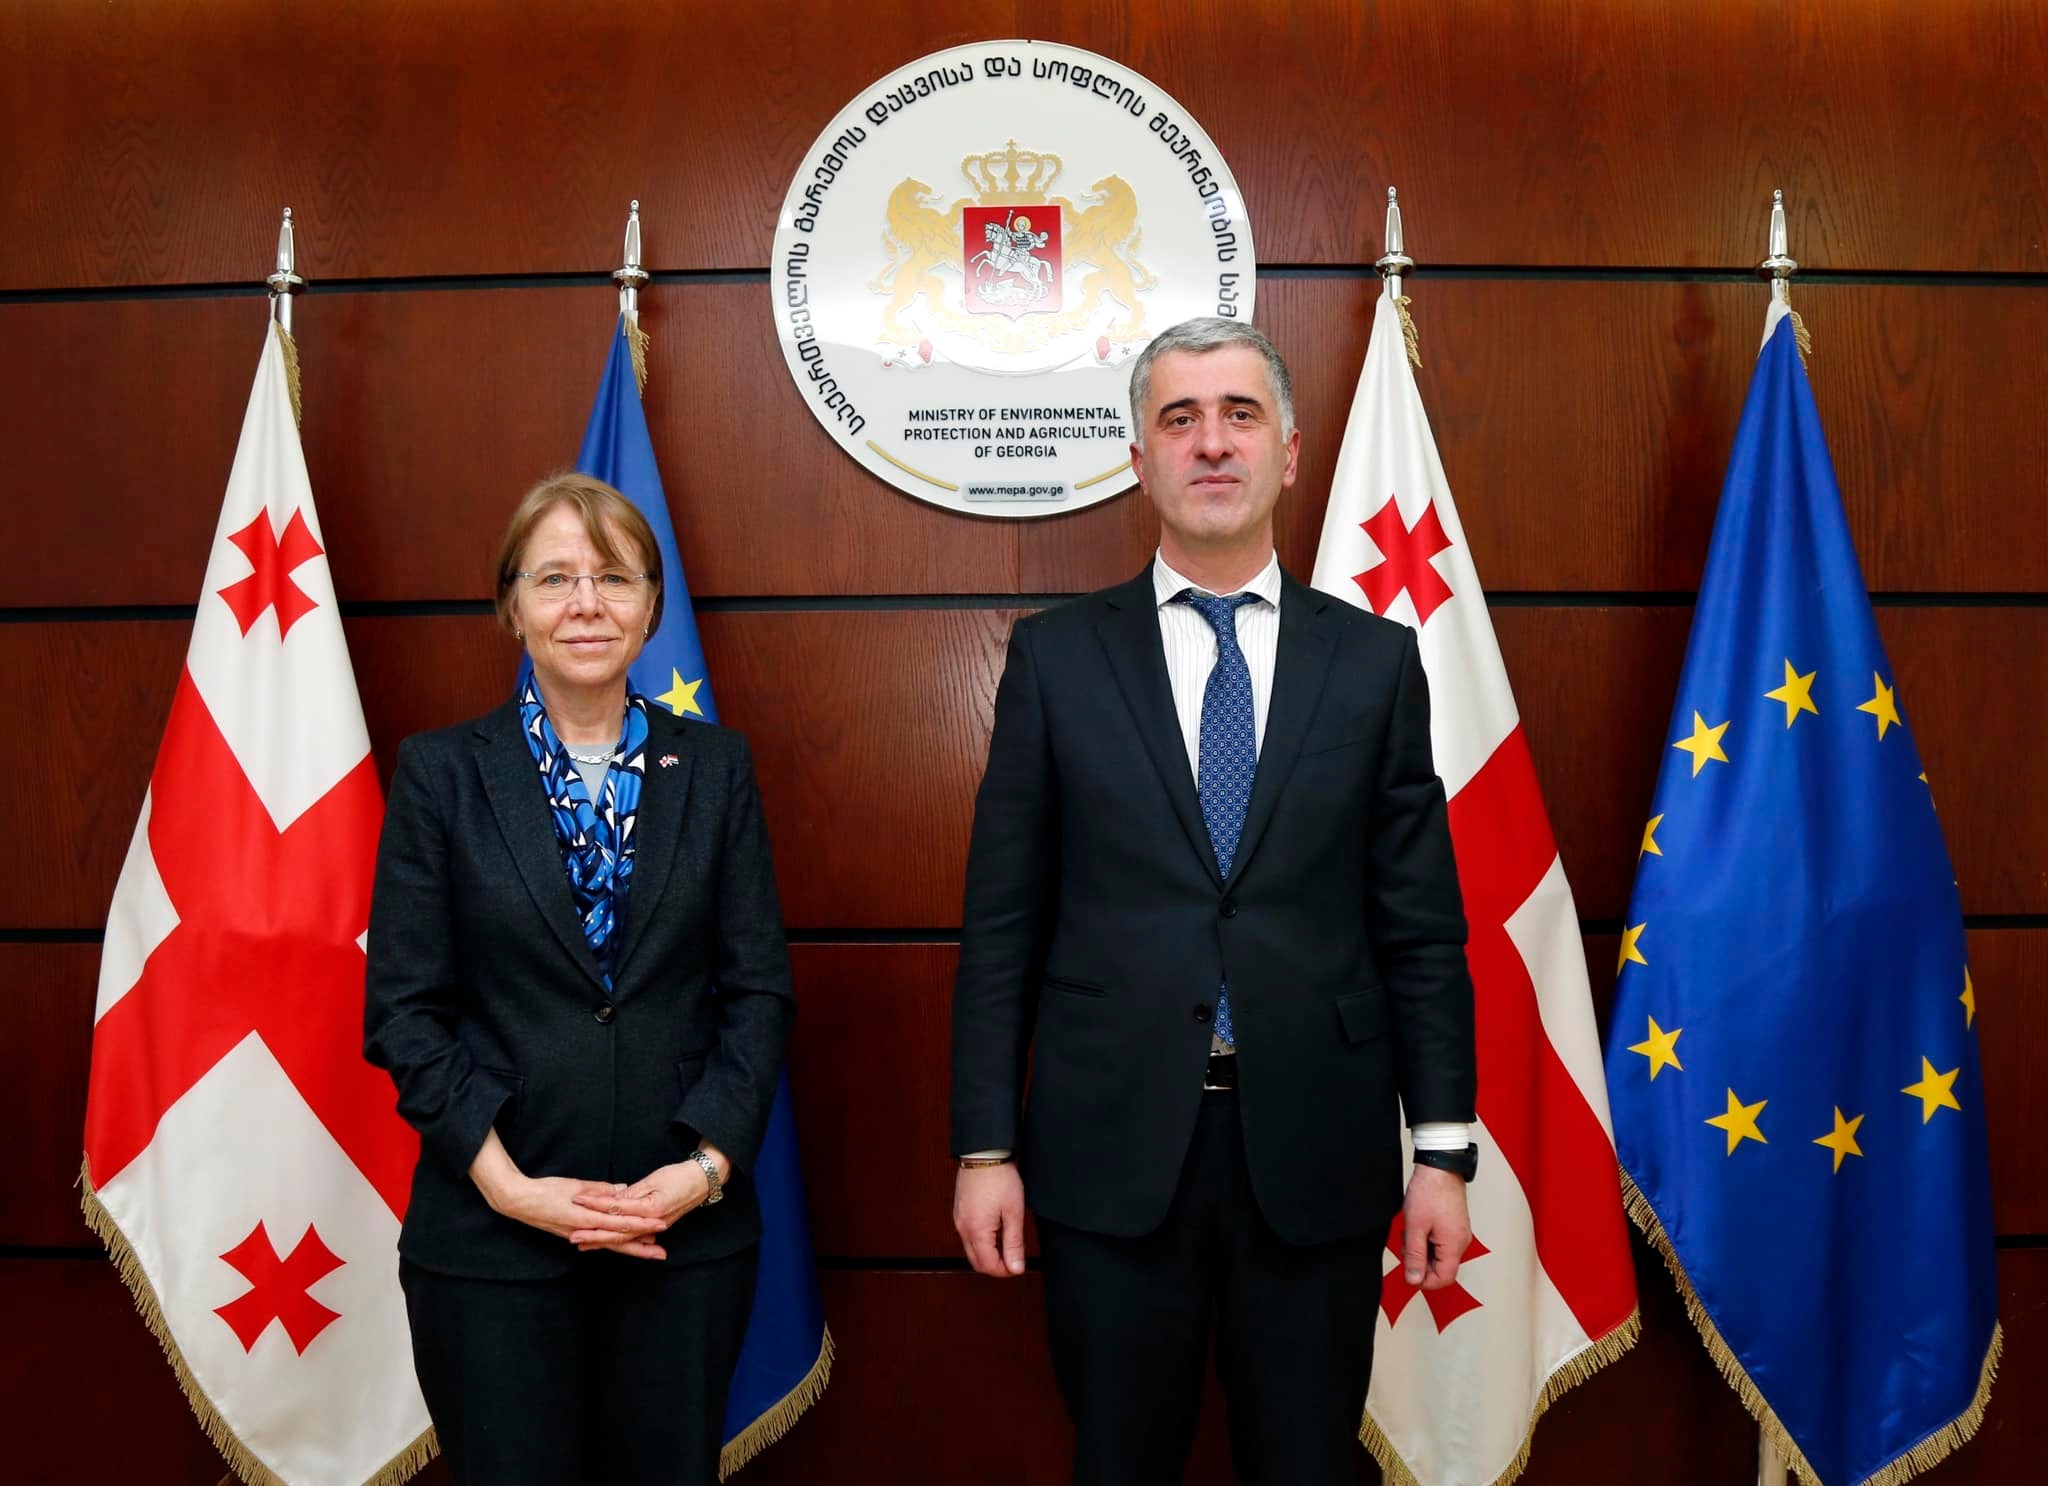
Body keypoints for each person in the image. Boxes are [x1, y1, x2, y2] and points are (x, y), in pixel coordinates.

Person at [950, 318, 1478, 1484]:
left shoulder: (1374, 663)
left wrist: (1441, 1151)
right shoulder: (1055, 660)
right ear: (1138, 459)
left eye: (1240, 414)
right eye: (1178, 418)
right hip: (1108, 1154)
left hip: (1316, 1152)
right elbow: (1001, 929)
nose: (1210, 442)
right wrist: (984, 1146)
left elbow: (1419, 932)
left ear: (1287, 452)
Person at [365, 472, 794, 1485]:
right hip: (491, 1244)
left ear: (650, 607)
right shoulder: (440, 774)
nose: (586, 603)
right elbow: (404, 1012)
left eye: (614, 577)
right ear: (511, 606)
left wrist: (704, 1172)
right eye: (554, 578)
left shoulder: (717, 768)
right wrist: (510, 1188)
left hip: (678, 1240)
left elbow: (758, 993)